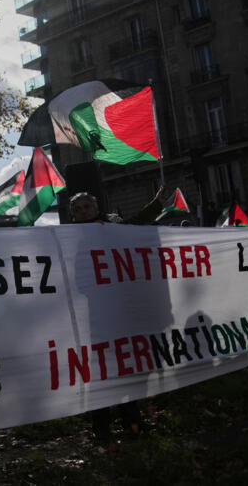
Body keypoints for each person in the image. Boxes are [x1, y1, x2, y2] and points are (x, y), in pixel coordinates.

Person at [68, 186, 167, 443]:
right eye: (77, 210)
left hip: (124, 313)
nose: (83, 212)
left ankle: (132, 421)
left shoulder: (114, 228)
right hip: (99, 317)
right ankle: (101, 429)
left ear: (96, 207)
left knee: (128, 367)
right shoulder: (73, 239)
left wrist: (156, 203)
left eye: (86, 206)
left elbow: (136, 224)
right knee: (101, 371)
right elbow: (80, 282)